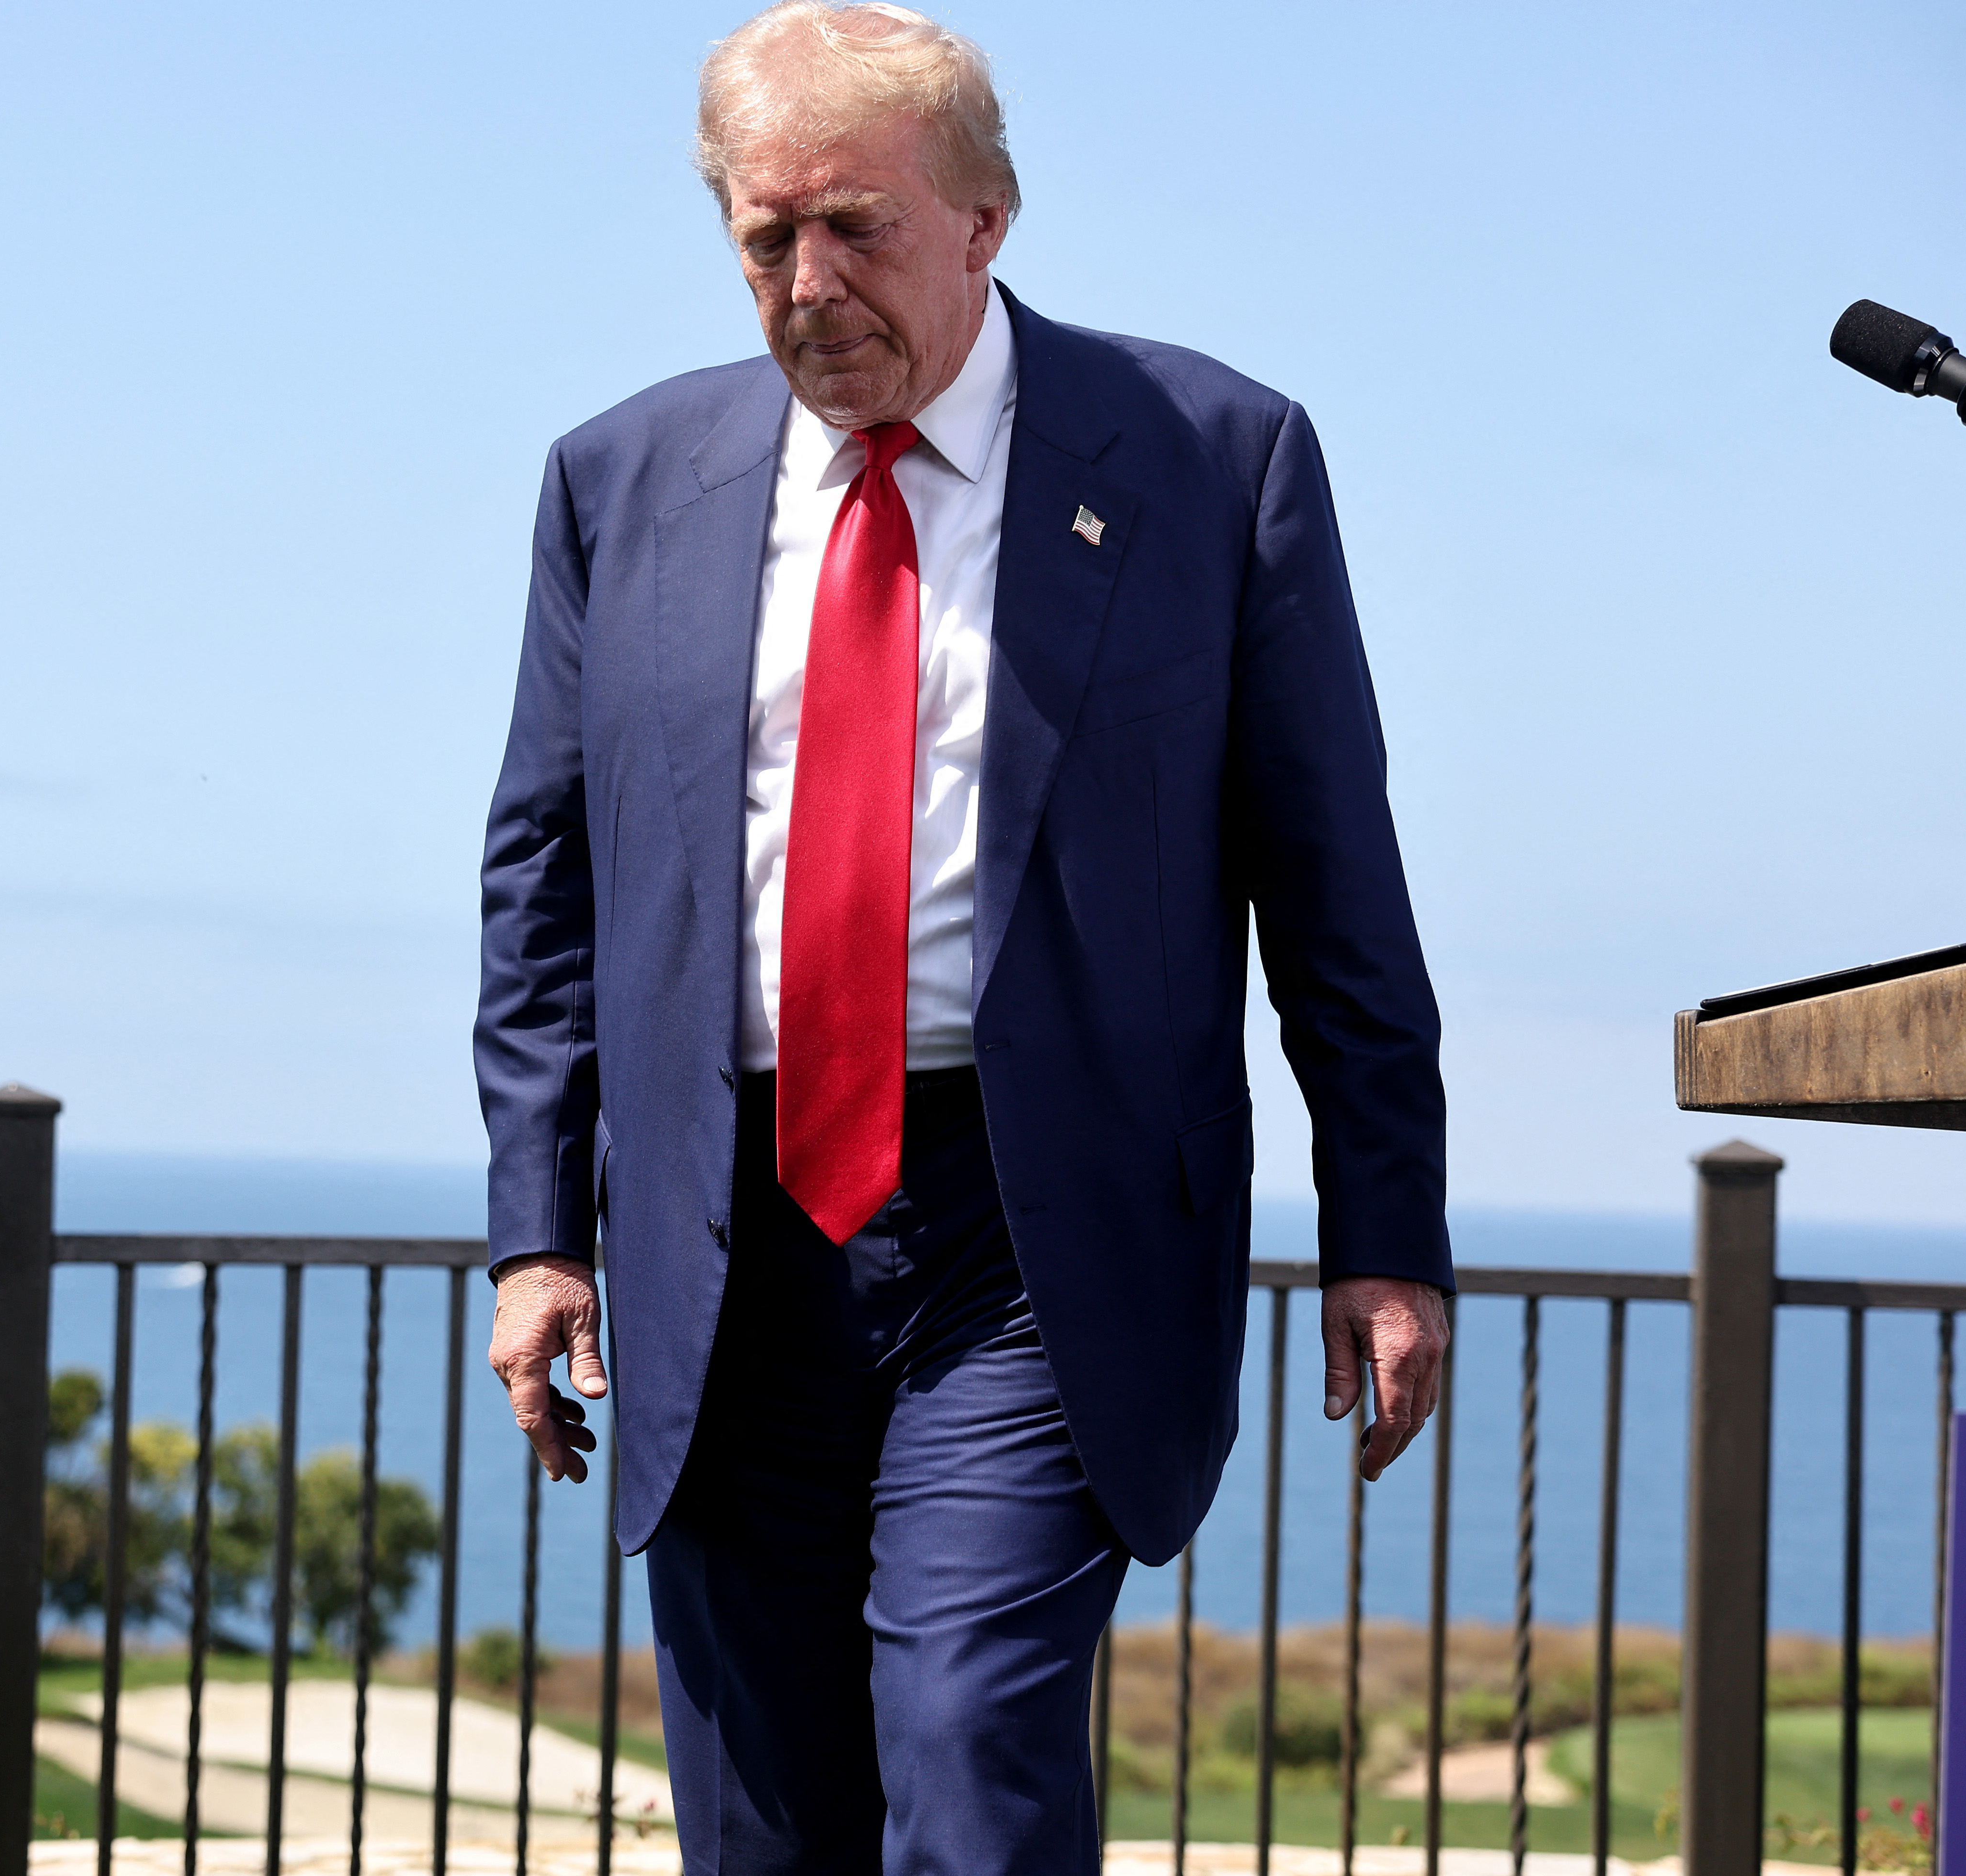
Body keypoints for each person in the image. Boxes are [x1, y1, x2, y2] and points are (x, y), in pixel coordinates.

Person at [472, 4, 1453, 1867]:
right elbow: (546, 881)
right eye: (767, 237)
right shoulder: (619, 485)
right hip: (721, 1236)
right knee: (768, 1821)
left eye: (858, 227)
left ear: (989, 216)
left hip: (1036, 1231)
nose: (809, 283)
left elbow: (1335, 878)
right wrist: (539, 1228)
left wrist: (1384, 1232)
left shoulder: (1208, 461)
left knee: (969, 1741)